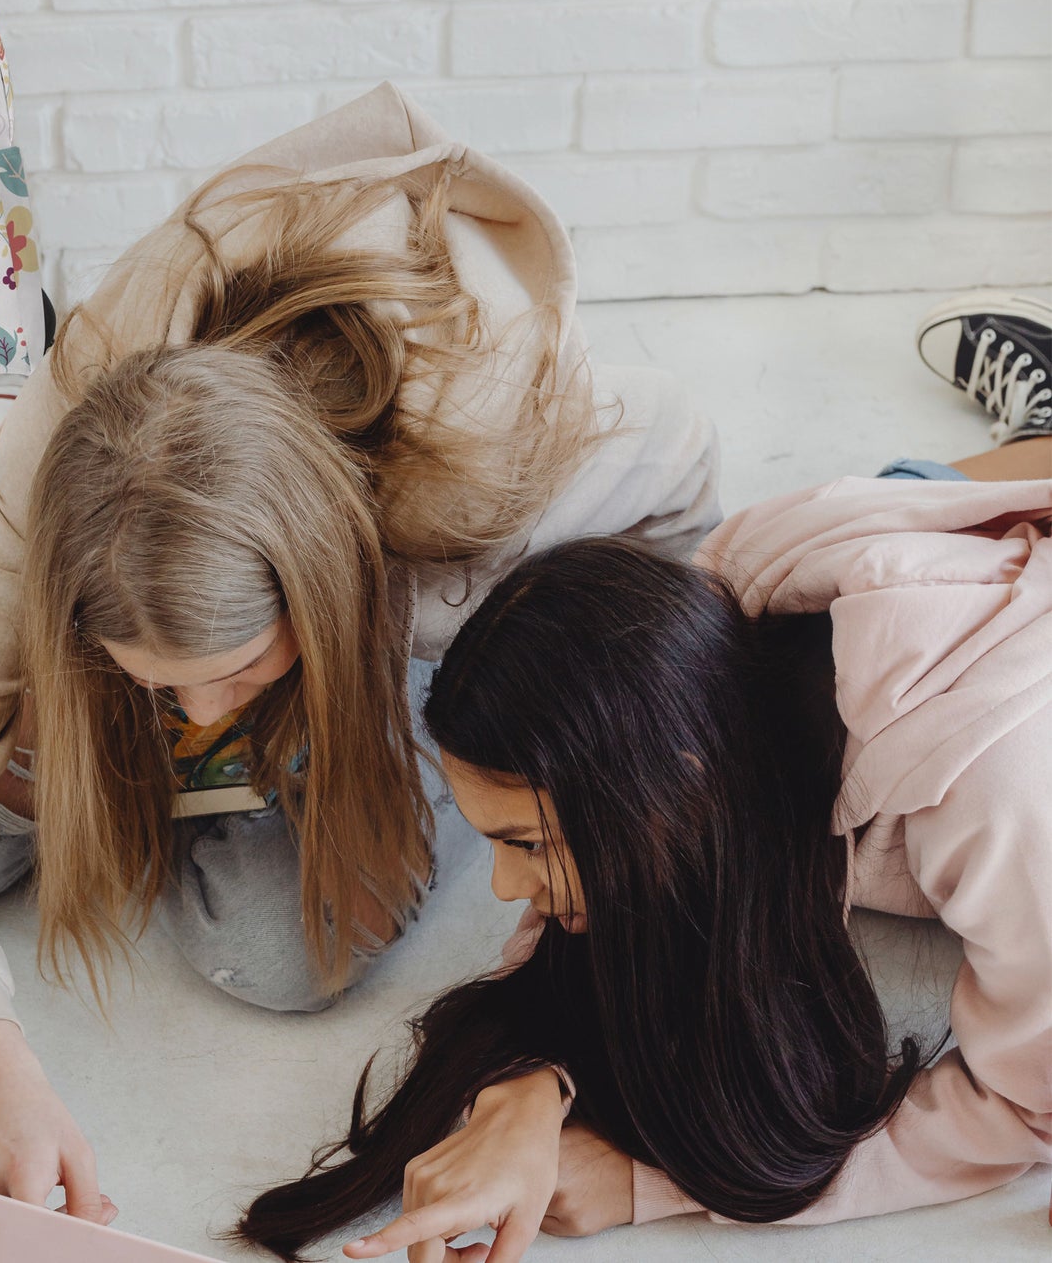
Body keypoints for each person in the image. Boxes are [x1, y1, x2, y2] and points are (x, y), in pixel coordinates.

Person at [0, 83, 722, 1221]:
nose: (201, 712)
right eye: (161, 686)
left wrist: (608, 700)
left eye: (239, 668)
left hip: (405, 571)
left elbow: (683, 467)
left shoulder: (487, 475)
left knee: (283, 957)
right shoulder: (85, 442)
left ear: (327, 579)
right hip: (97, 504)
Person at [235, 294, 1052, 1262]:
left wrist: (643, 1183)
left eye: (524, 843)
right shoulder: (716, 591)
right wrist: (526, 1084)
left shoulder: (992, 801)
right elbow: (594, 878)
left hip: (1001, 687)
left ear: (674, 774)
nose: (503, 886)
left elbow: (1023, 1104)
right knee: (910, 485)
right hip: (904, 532)